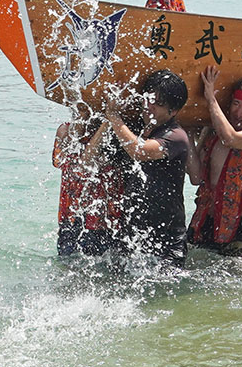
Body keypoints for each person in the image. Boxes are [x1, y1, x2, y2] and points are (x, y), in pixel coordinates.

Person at [105, 70, 193, 266]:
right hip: (132, 236)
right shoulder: (134, 129)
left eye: (158, 104)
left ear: (173, 111)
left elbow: (140, 151)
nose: (148, 106)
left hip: (167, 243)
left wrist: (113, 115)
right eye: (148, 98)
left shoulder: (176, 136)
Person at [188, 68, 242, 255]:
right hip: (204, 223)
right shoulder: (213, 133)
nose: (239, 113)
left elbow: (231, 139)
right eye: (236, 104)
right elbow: (195, 178)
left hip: (239, 231)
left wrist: (211, 98)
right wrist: (186, 130)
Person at [52, 113, 127, 256]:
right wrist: (107, 121)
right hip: (73, 219)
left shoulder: (119, 132)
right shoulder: (65, 131)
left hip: (108, 222)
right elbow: (83, 166)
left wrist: (110, 121)